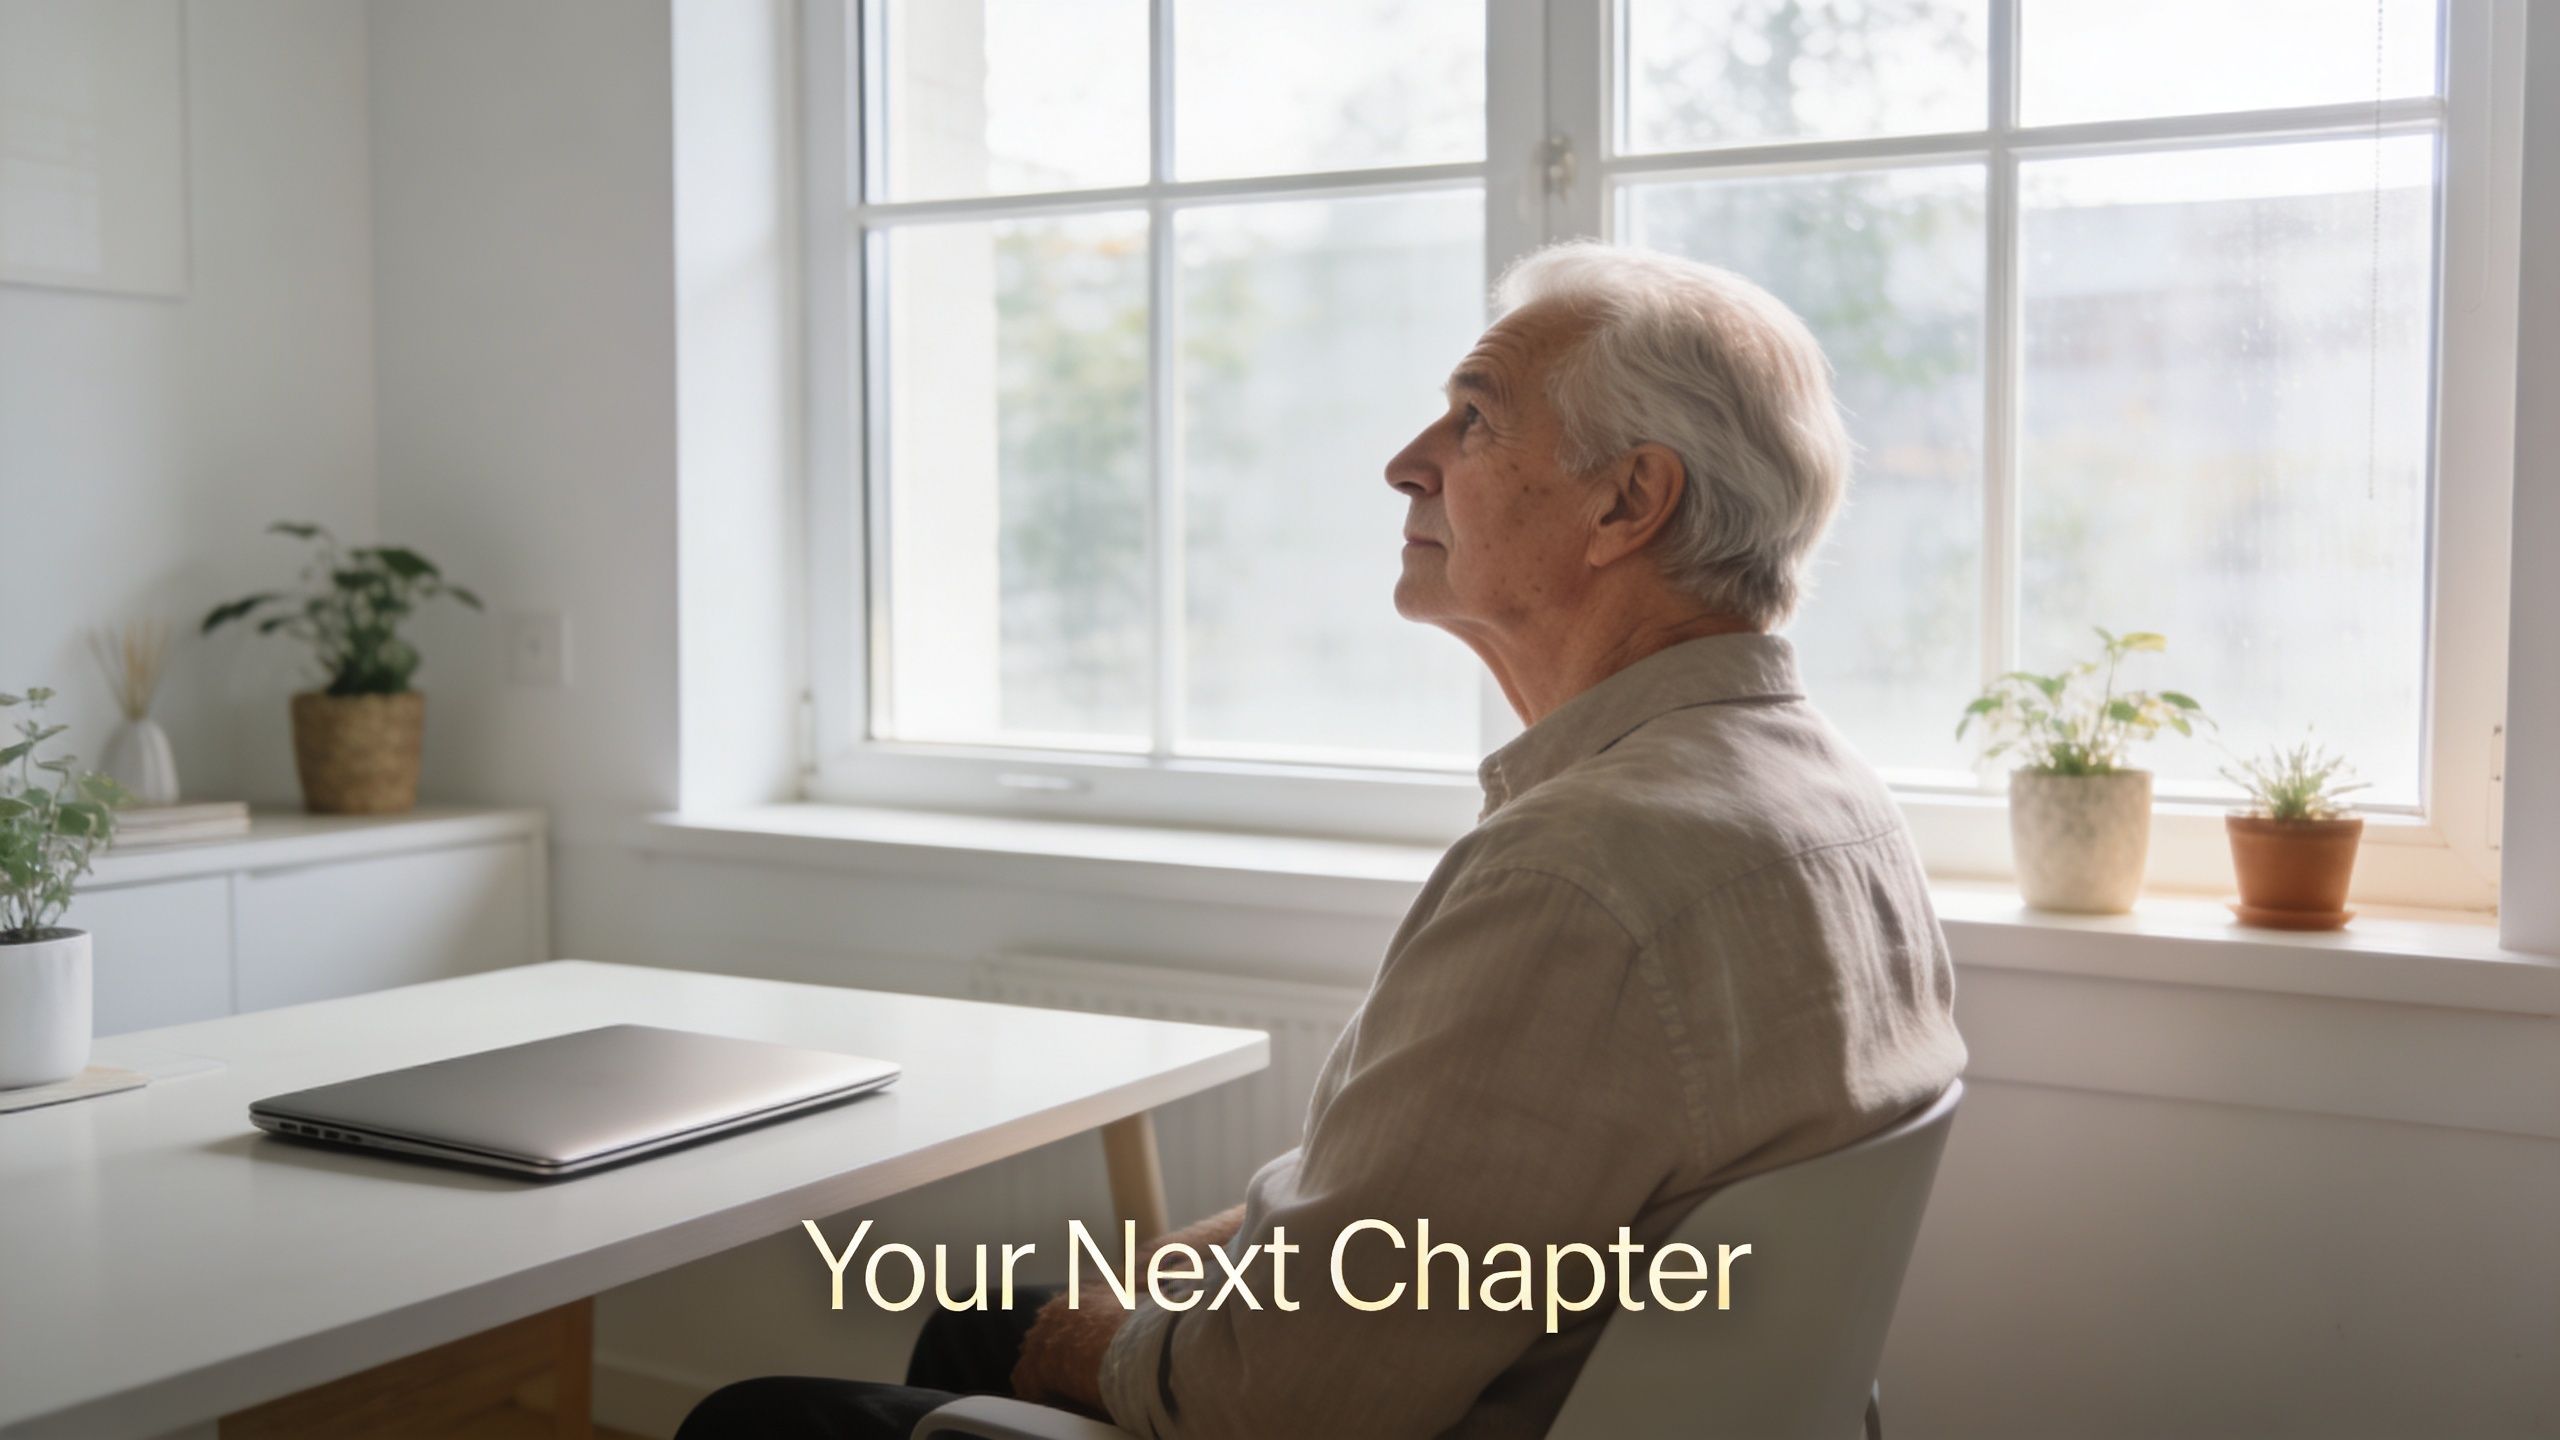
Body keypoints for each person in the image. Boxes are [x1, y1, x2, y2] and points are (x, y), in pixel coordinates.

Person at [677, 239, 1968, 1439]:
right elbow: (1488, 1186)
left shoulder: (1581, 871)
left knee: (765, 1417)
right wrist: (1218, 1256)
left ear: (1628, 501)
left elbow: (1279, 1403)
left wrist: (1095, 1338)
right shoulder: (1830, 801)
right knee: (982, 1323)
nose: (1408, 461)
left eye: (1473, 419)